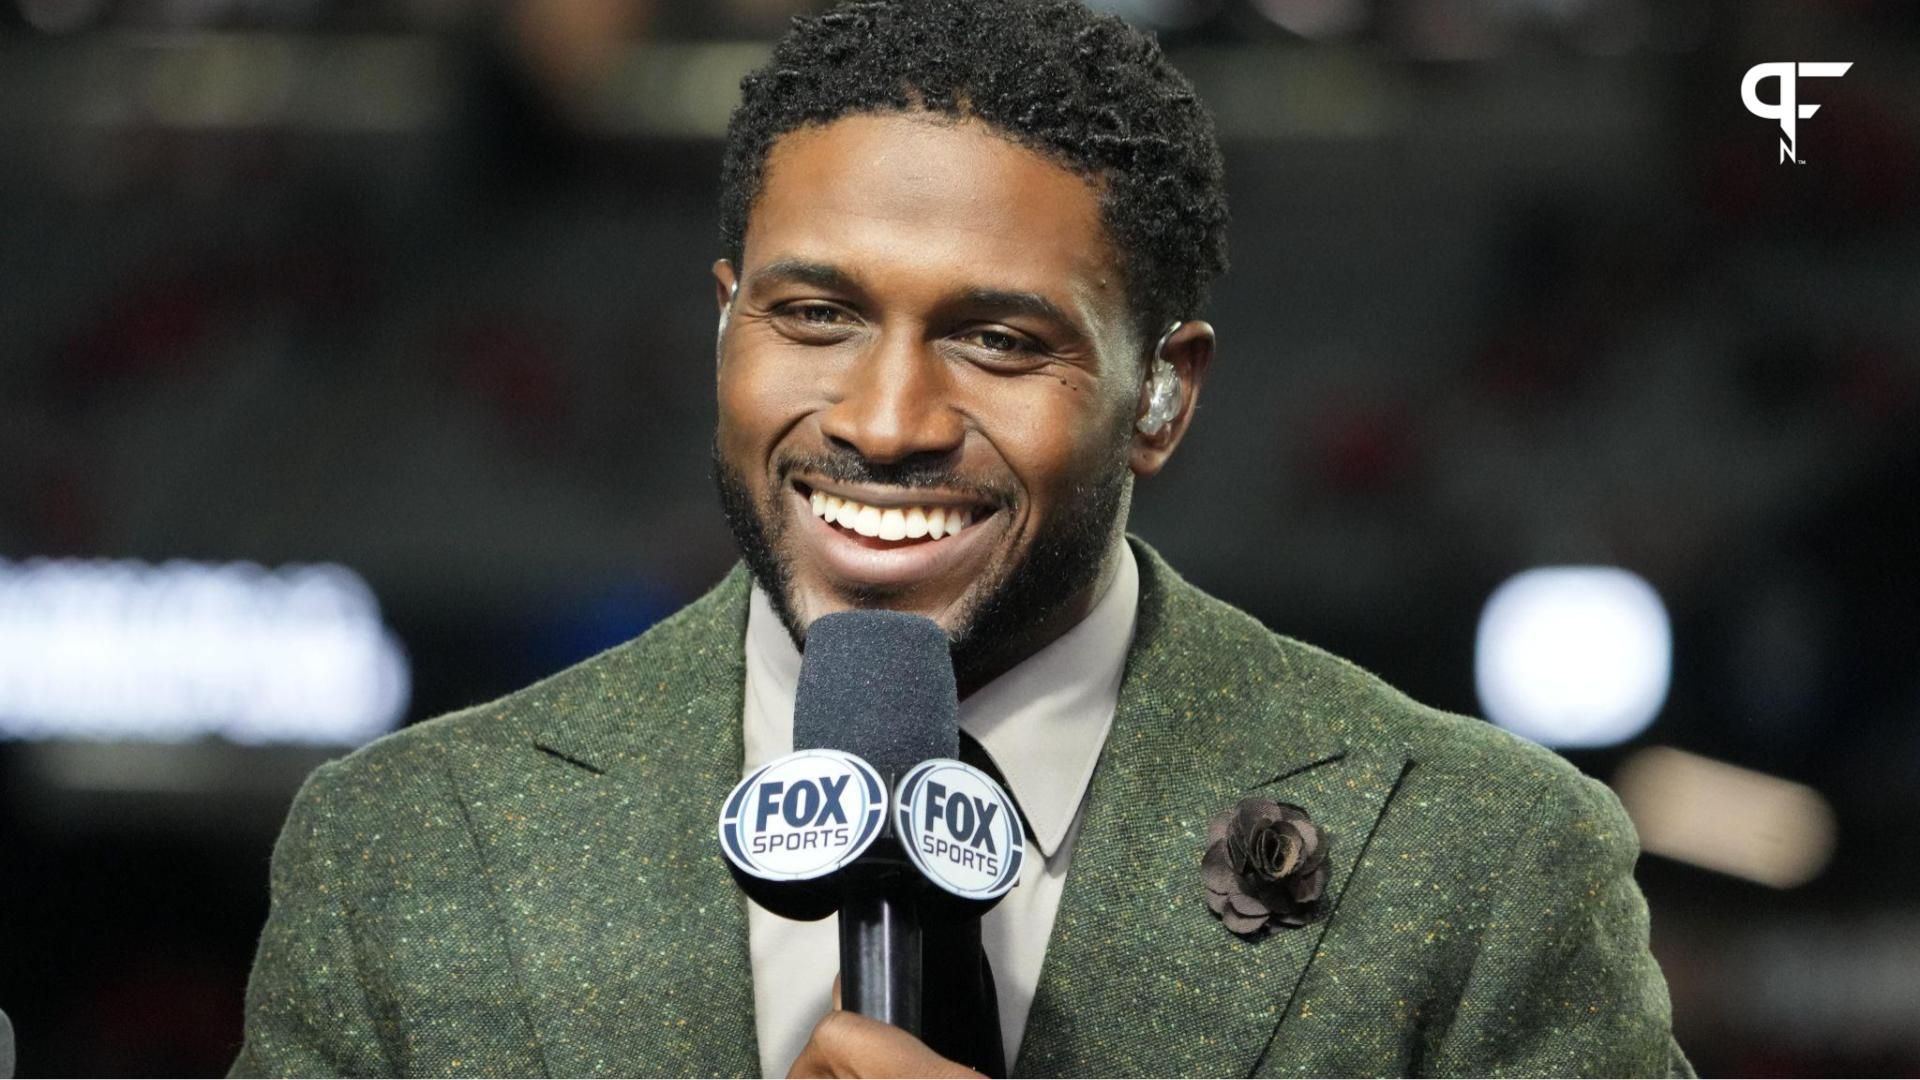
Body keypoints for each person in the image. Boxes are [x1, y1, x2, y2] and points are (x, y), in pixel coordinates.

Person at [230, 0, 1692, 1075]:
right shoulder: (409, 853)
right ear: (723, 319)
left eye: (997, 338)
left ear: (1164, 394)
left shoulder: (1484, 867)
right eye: (813, 315)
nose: (884, 417)